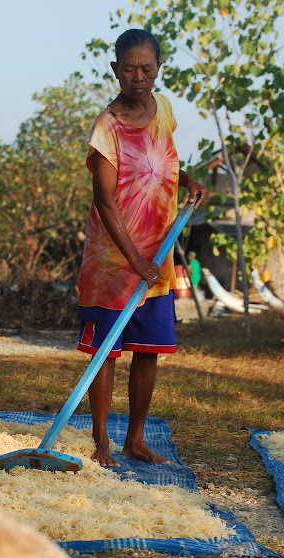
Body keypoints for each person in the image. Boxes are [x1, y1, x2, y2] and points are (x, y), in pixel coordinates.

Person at [77, 28, 209, 467]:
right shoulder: (106, 128)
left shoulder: (164, 108)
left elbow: (164, 159)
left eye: (146, 68)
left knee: (149, 350)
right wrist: (135, 261)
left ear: (158, 69)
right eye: (129, 68)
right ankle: (101, 443)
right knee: (106, 351)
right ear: (115, 70)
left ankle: (135, 439)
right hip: (114, 261)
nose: (138, 76)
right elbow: (104, 200)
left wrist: (187, 180)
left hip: (158, 255)